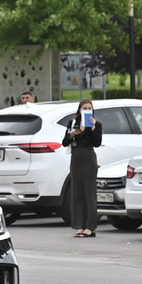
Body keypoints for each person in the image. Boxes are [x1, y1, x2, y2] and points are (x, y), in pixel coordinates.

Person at [61, 96, 104, 236]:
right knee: (77, 192)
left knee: (89, 193)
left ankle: (90, 227)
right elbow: (64, 142)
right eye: (84, 108)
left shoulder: (97, 125)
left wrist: (92, 128)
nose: (87, 110)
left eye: (89, 108)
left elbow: (97, 143)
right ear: (79, 110)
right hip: (76, 159)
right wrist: (72, 134)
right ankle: (79, 225)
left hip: (89, 159)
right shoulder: (72, 123)